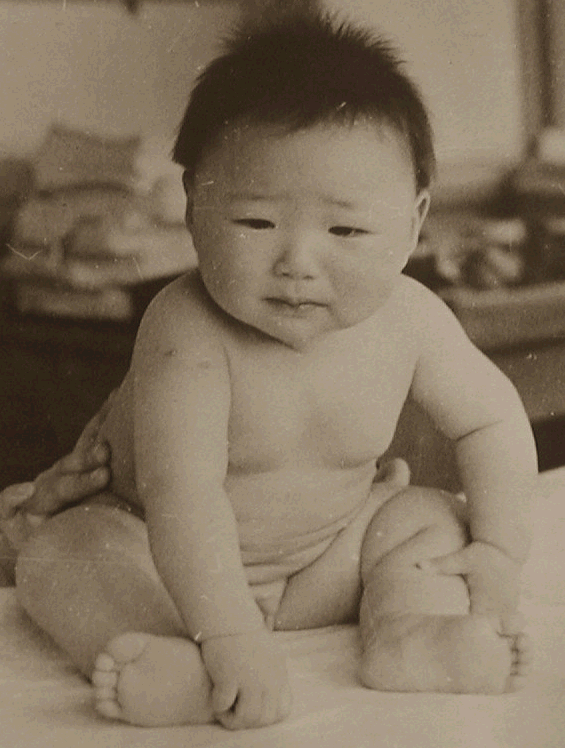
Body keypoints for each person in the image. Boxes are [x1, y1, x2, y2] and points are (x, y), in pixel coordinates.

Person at [2, 12, 536, 731]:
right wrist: (228, 634)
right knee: (63, 553)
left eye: (345, 229)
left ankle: (409, 633)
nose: (297, 262)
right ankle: (172, 657)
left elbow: (491, 421)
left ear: (412, 224)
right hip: (163, 564)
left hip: (325, 565)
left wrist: (497, 550)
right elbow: (182, 494)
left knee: (427, 517)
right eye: (256, 223)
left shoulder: (412, 318)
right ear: (195, 208)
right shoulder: (184, 328)